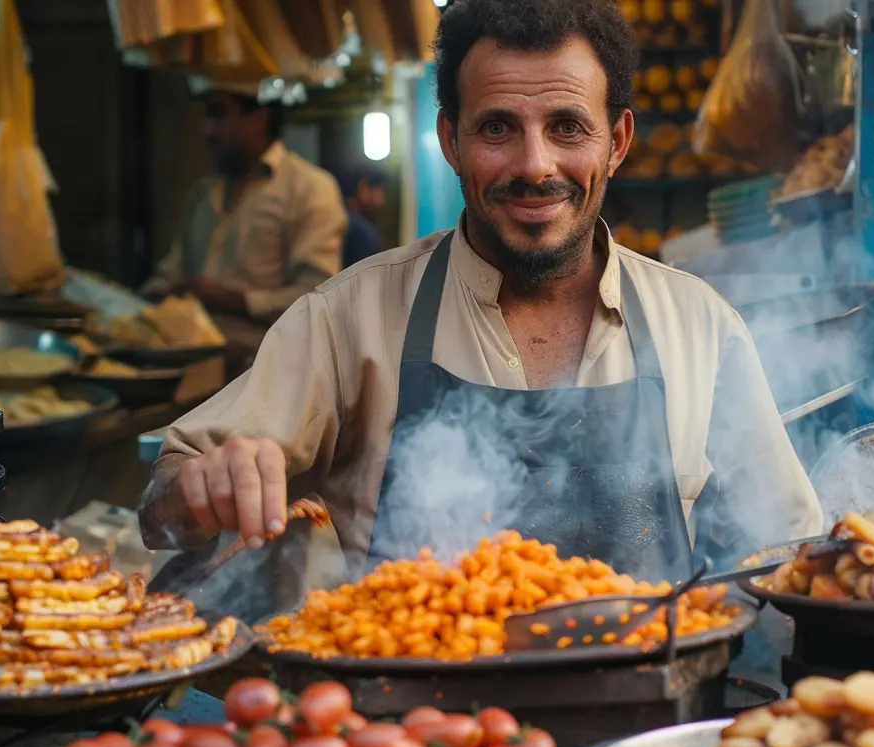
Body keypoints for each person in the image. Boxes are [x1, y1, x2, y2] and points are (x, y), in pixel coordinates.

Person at [140, 0, 822, 595]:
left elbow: (790, 556)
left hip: (648, 736)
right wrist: (198, 491)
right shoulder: (349, 318)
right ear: (450, 141)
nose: (534, 166)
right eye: (498, 128)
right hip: (414, 733)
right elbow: (162, 505)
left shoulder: (701, 328)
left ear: (616, 142)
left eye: (567, 127)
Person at [141, 79, 347, 371]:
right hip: (186, 363)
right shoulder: (204, 193)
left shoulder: (309, 188)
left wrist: (236, 301)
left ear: (259, 117)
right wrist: (151, 299)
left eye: (218, 115)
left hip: (263, 370)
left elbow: (319, 298)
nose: (207, 130)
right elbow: (172, 270)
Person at [332, 162, 390, 268]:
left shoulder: (334, 218)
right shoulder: (361, 232)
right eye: (379, 190)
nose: (382, 200)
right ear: (362, 187)